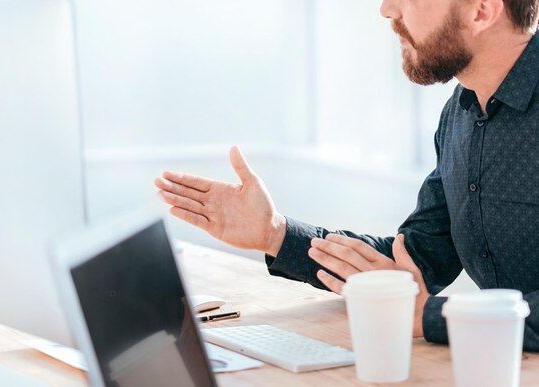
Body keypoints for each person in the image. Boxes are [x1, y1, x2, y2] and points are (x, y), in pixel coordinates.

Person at [155, 0, 539, 350]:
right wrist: (274, 233)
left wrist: (430, 316)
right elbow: (416, 258)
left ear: (481, 12)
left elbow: (419, 304)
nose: (387, 9)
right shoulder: (461, 111)